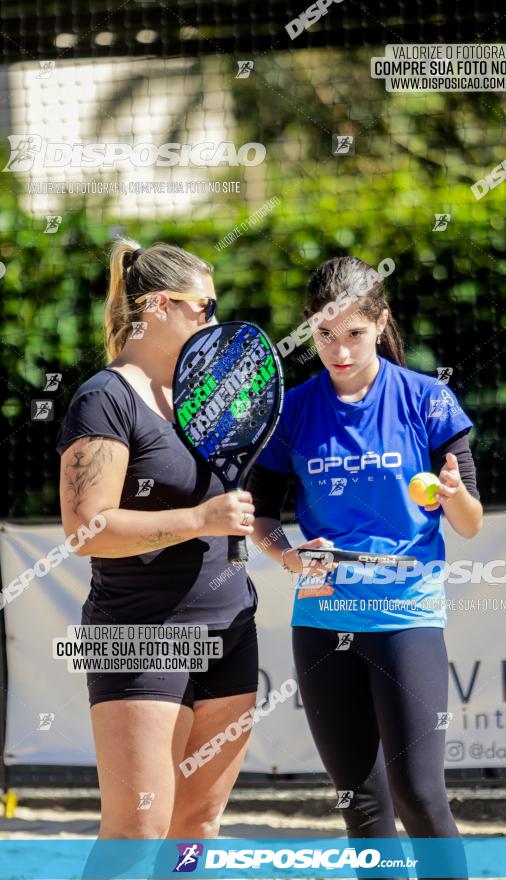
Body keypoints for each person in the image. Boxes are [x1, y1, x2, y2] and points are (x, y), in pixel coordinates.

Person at [246, 256, 483, 877]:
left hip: (407, 615)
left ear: (380, 323)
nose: (339, 350)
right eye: (324, 335)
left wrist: (455, 494)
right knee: (361, 804)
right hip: (322, 619)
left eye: (353, 333)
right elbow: (262, 519)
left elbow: (469, 521)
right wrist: (291, 559)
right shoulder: (292, 410)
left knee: (419, 794)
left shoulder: (427, 400)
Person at [56, 239, 258, 842]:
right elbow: (85, 530)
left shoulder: (206, 399)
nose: (215, 321)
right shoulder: (105, 397)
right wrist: (200, 519)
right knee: (138, 829)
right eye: (207, 306)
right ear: (162, 306)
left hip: (228, 628)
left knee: (197, 827)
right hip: (139, 635)